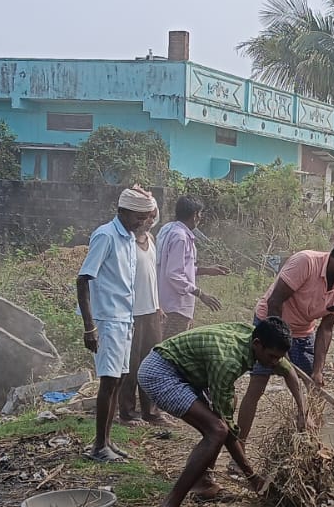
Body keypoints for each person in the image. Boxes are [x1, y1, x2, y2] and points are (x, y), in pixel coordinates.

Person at [138, 317, 311, 507]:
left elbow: (289, 372)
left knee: (220, 420)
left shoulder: (257, 337)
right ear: (258, 344)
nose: (274, 362)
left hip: (185, 371)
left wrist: (303, 413)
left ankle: (203, 484)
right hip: (160, 373)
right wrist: (253, 478)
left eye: (278, 357)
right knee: (217, 430)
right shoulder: (228, 361)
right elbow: (227, 431)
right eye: (271, 357)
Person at [235, 239, 334, 441]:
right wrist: (281, 352)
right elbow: (275, 302)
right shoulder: (305, 262)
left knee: (314, 388)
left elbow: (326, 328)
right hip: (271, 325)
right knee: (257, 386)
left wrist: (318, 369)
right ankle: (240, 448)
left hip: (303, 331)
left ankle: (310, 442)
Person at [77, 186, 155, 462]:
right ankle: (99, 446)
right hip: (108, 320)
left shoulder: (129, 240)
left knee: (119, 381)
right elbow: (83, 279)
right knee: (108, 383)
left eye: (145, 217)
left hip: (125, 318)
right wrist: (89, 327)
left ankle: (107, 442)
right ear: (122, 211)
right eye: (138, 216)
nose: (142, 222)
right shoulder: (106, 236)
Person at [118, 204, 167, 426]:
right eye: (145, 217)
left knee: (152, 363)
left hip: (151, 312)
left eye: (151, 217)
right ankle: (127, 413)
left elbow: (152, 277)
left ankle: (151, 411)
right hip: (131, 313)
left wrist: (158, 306)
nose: (148, 221)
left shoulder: (151, 241)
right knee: (131, 365)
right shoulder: (125, 242)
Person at [156, 196, 230, 339]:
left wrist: (207, 270)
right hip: (176, 306)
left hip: (171, 304)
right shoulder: (180, 237)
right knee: (172, 352)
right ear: (195, 215)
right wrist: (201, 294)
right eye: (200, 214)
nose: (200, 218)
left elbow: (179, 269)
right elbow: (174, 275)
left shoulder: (171, 230)